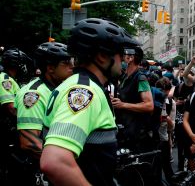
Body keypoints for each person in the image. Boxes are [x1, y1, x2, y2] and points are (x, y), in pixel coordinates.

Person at [40, 18, 139, 185]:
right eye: (120, 54)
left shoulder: (74, 84)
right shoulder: (85, 91)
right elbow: (55, 161)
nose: (124, 60)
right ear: (101, 56)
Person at [14, 42, 73, 184]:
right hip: (36, 170)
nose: (72, 67)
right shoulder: (34, 94)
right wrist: (67, 165)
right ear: (51, 68)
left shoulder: (59, 89)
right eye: (66, 63)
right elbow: (29, 142)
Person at [113, 45, 154, 151]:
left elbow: (149, 105)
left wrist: (123, 105)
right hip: (125, 131)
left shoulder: (141, 78)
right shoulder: (124, 77)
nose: (121, 58)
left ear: (130, 58)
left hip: (137, 135)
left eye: (124, 54)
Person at [156, 77, 176, 185]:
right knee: (155, 167)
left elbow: (172, 127)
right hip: (152, 136)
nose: (162, 93)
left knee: (166, 165)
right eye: (160, 90)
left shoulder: (171, 103)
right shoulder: (152, 99)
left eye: (165, 90)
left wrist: (166, 118)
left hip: (164, 137)